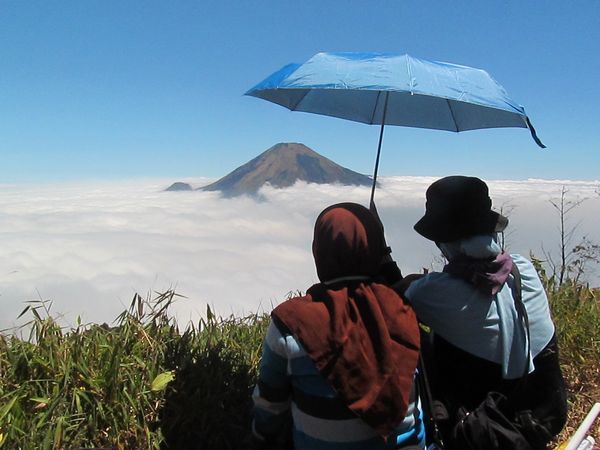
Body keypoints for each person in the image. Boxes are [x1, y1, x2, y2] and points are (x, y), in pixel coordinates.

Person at [402, 176, 567, 449]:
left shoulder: (430, 294)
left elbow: (397, 302)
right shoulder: (524, 269)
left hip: (483, 432)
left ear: (445, 240)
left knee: (423, 340)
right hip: (544, 417)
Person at [252, 202, 425, 449]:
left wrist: (262, 439)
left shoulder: (291, 324)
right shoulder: (402, 310)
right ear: (374, 250)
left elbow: (269, 404)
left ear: (318, 251)